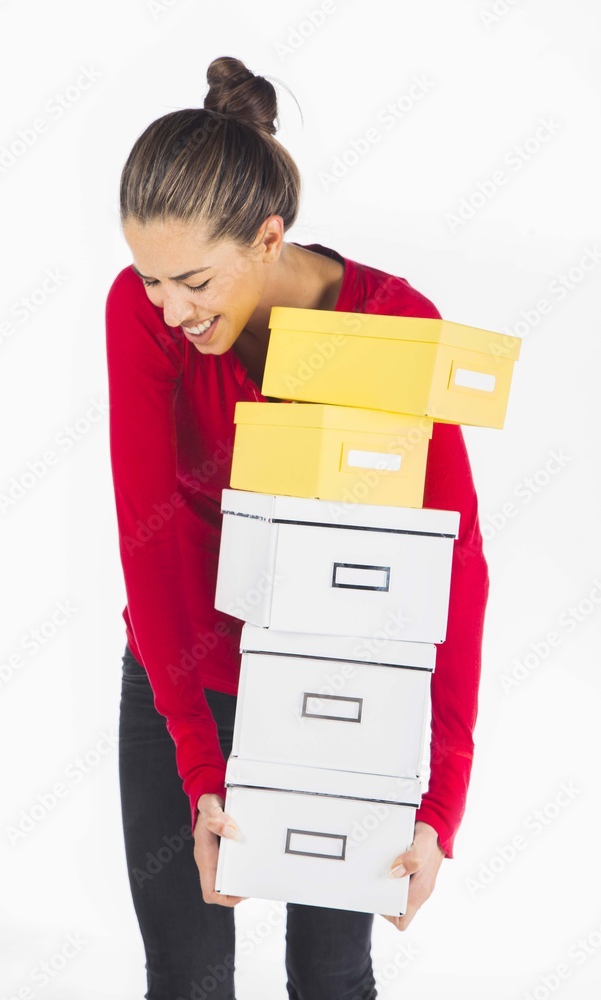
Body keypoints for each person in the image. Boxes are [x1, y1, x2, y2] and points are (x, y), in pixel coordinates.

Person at [106, 55, 489, 1000]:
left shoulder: (393, 322)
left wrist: (439, 799)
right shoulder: (143, 317)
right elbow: (149, 542)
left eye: (191, 280)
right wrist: (199, 755)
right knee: (186, 980)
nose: (170, 309)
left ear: (268, 237)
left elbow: (454, 562)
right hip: (184, 677)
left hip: (340, 692)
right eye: (151, 279)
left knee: (331, 973)